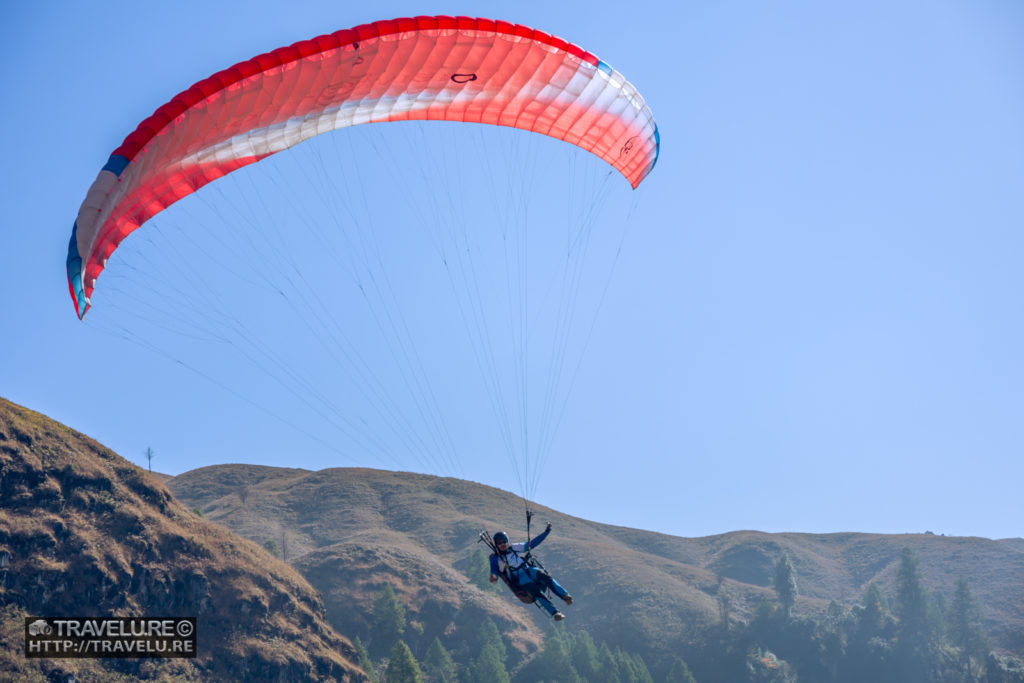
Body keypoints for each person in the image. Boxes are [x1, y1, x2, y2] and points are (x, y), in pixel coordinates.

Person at [489, 522, 573, 620]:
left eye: (504, 541)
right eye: (499, 543)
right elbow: (494, 571)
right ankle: (555, 613)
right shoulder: (495, 558)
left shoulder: (514, 548)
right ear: (496, 545)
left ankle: (565, 596)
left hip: (528, 570)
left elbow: (532, 544)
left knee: (545, 576)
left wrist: (546, 532)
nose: (502, 544)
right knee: (535, 590)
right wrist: (493, 578)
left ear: (507, 541)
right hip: (519, 578)